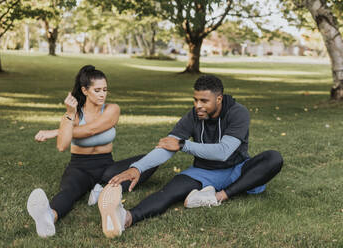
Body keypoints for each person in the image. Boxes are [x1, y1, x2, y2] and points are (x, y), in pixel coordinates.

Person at [97, 75, 283, 238]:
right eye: (195, 100)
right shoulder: (193, 115)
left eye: (204, 101)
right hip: (203, 172)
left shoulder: (238, 112)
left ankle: (216, 197)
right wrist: (137, 167)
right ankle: (125, 218)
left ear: (219, 99)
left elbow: (224, 151)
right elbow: (167, 146)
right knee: (169, 192)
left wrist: (183, 145)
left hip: (237, 169)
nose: (198, 106)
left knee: (273, 158)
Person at [27, 65, 157, 238]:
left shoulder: (112, 109)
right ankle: (49, 217)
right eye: (97, 90)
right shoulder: (73, 115)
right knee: (69, 192)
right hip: (79, 167)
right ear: (85, 90)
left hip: (106, 166)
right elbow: (62, 146)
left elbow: (92, 130)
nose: (102, 94)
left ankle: (101, 190)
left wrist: (54, 131)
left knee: (150, 160)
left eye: (105, 89)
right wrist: (69, 114)